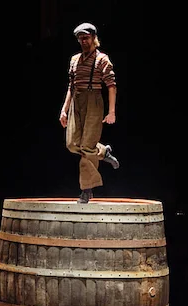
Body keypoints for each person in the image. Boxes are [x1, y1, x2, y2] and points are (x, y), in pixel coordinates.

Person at [58, 22, 120, 203]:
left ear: (94, 38)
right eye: (80, 38)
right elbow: (71, 86)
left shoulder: (102, 59)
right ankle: (102, 151)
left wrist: (111, 112)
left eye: (86, 37)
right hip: (76, 102)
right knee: (72, 143)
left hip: (93, 101)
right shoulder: (74, 60)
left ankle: (87, 189)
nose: (83, 41)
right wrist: (64, 110)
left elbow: (111, 86)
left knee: (86, 147)